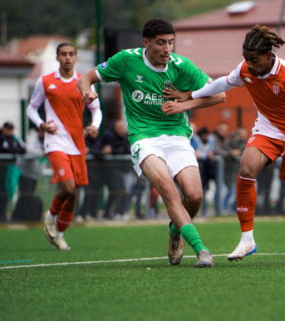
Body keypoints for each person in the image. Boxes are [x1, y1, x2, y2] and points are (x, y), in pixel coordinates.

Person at [165, 25, 285, 263]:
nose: (249, 65)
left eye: (254, 59)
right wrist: (192, 95)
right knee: (247, 166)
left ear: (269, 56)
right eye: (246, 59)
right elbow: (222, 83)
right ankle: (247, 239)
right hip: (267, 131)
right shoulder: (245, 70)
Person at [77, 18, 225, 267]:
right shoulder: (125, 60)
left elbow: (219, 95)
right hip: (144, 138)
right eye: (161, 43)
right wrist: (86, 91)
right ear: (146, 43)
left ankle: (175, 229)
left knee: (195, 196)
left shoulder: (182, 66)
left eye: (171, 42)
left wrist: (185, 102)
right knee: (167, 189)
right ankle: (201, 250)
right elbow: (86, 78)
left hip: (177, 135)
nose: (167, 49)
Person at [26, 42, 102, 249]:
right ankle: (49, 215)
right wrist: (41, 124)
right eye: (63, 54)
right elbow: (31, 109)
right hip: (55, 142)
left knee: (74, 194)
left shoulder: (84, 82)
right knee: (67, 187)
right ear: (57, 58)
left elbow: (97, 110)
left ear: (76, 58)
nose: (68, 57)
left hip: (77, 144)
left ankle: (59, 233)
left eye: (71, 54)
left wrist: (94, 126)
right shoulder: (45, 81)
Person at [0, 122, 26, 222]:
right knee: (2, 191)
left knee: (6, 191)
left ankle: (3, 214)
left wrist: (13, 150)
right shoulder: (2, 138)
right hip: (2, 169)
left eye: (11, 129)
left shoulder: (15, 138)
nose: (10, 131)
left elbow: (22, 149)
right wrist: (14, 150)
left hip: (10, 169)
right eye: (8, 129)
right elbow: (6, 149)